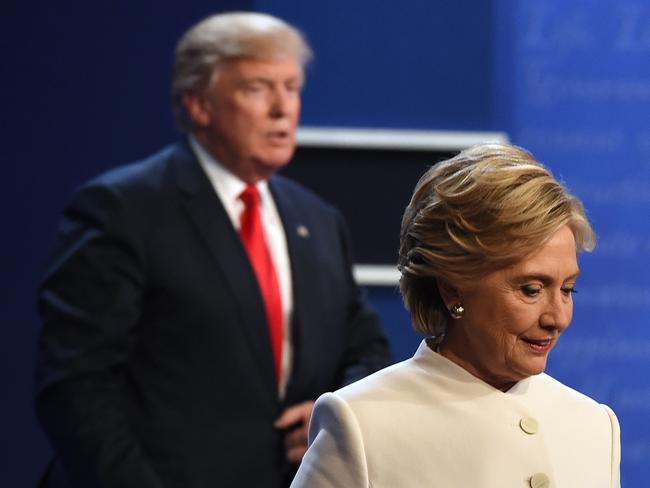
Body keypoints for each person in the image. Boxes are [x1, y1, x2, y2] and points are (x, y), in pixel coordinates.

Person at [35, 12, 390, 488]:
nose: (283, 108)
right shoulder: (122, 208)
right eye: (258, 88)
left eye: (292, 87)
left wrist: (333, 414)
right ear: (199, 105)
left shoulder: (317, 219)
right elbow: (75, 386)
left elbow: (366, 347)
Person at [292, 143, 621, 487]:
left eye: (567, 290)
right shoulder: (361, 423)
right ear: (453, 289)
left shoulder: (595, 426)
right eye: (531, 290)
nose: (557, 318)